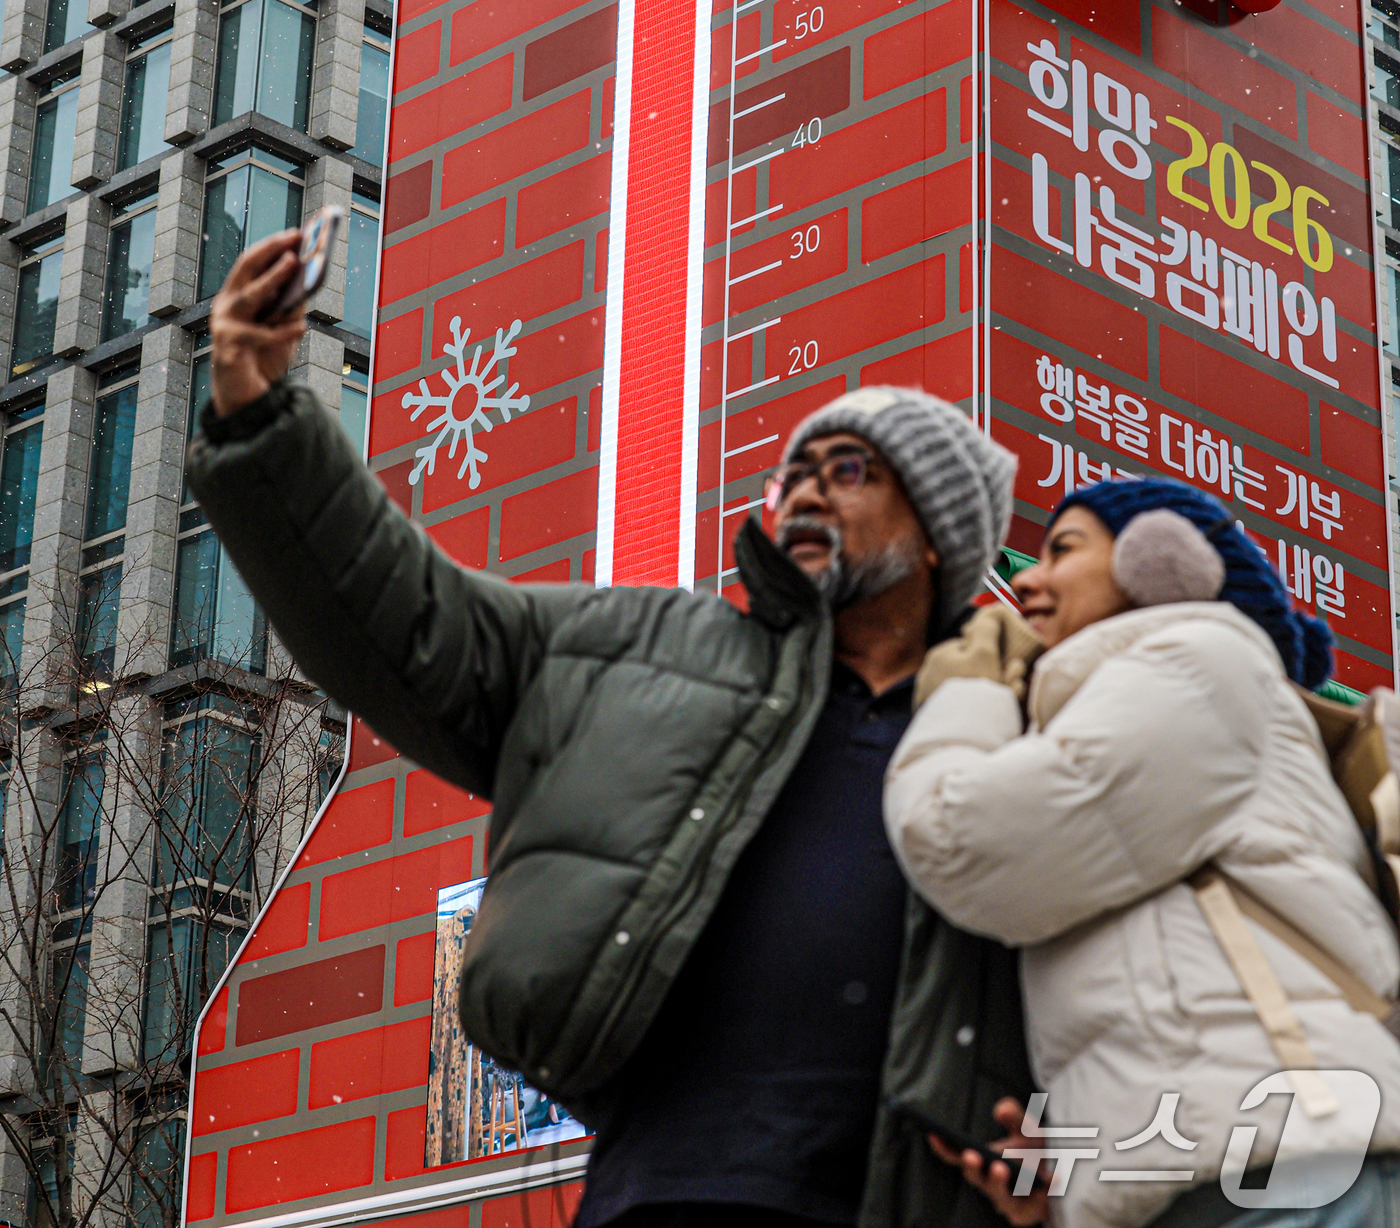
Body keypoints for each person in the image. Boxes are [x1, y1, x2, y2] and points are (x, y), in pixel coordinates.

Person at [186, 230, 1035, 1228]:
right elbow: (403, 616)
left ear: (935, 529)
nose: (803, 489)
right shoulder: (631, 652)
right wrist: (261, 413)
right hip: (658, 1195)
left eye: (849, 469)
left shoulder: (1024, 734)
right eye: (789, 473)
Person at [883, 475, 1400, 1228]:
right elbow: (1161, 999)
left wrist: (969, 689)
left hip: (1285, 1175)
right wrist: (1073, 1166)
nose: (1029, 578)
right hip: (1237, 1174)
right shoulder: (1152, 699)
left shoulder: (1200, 660)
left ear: (1162, 562)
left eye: (1065, 548)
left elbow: (964, 840)